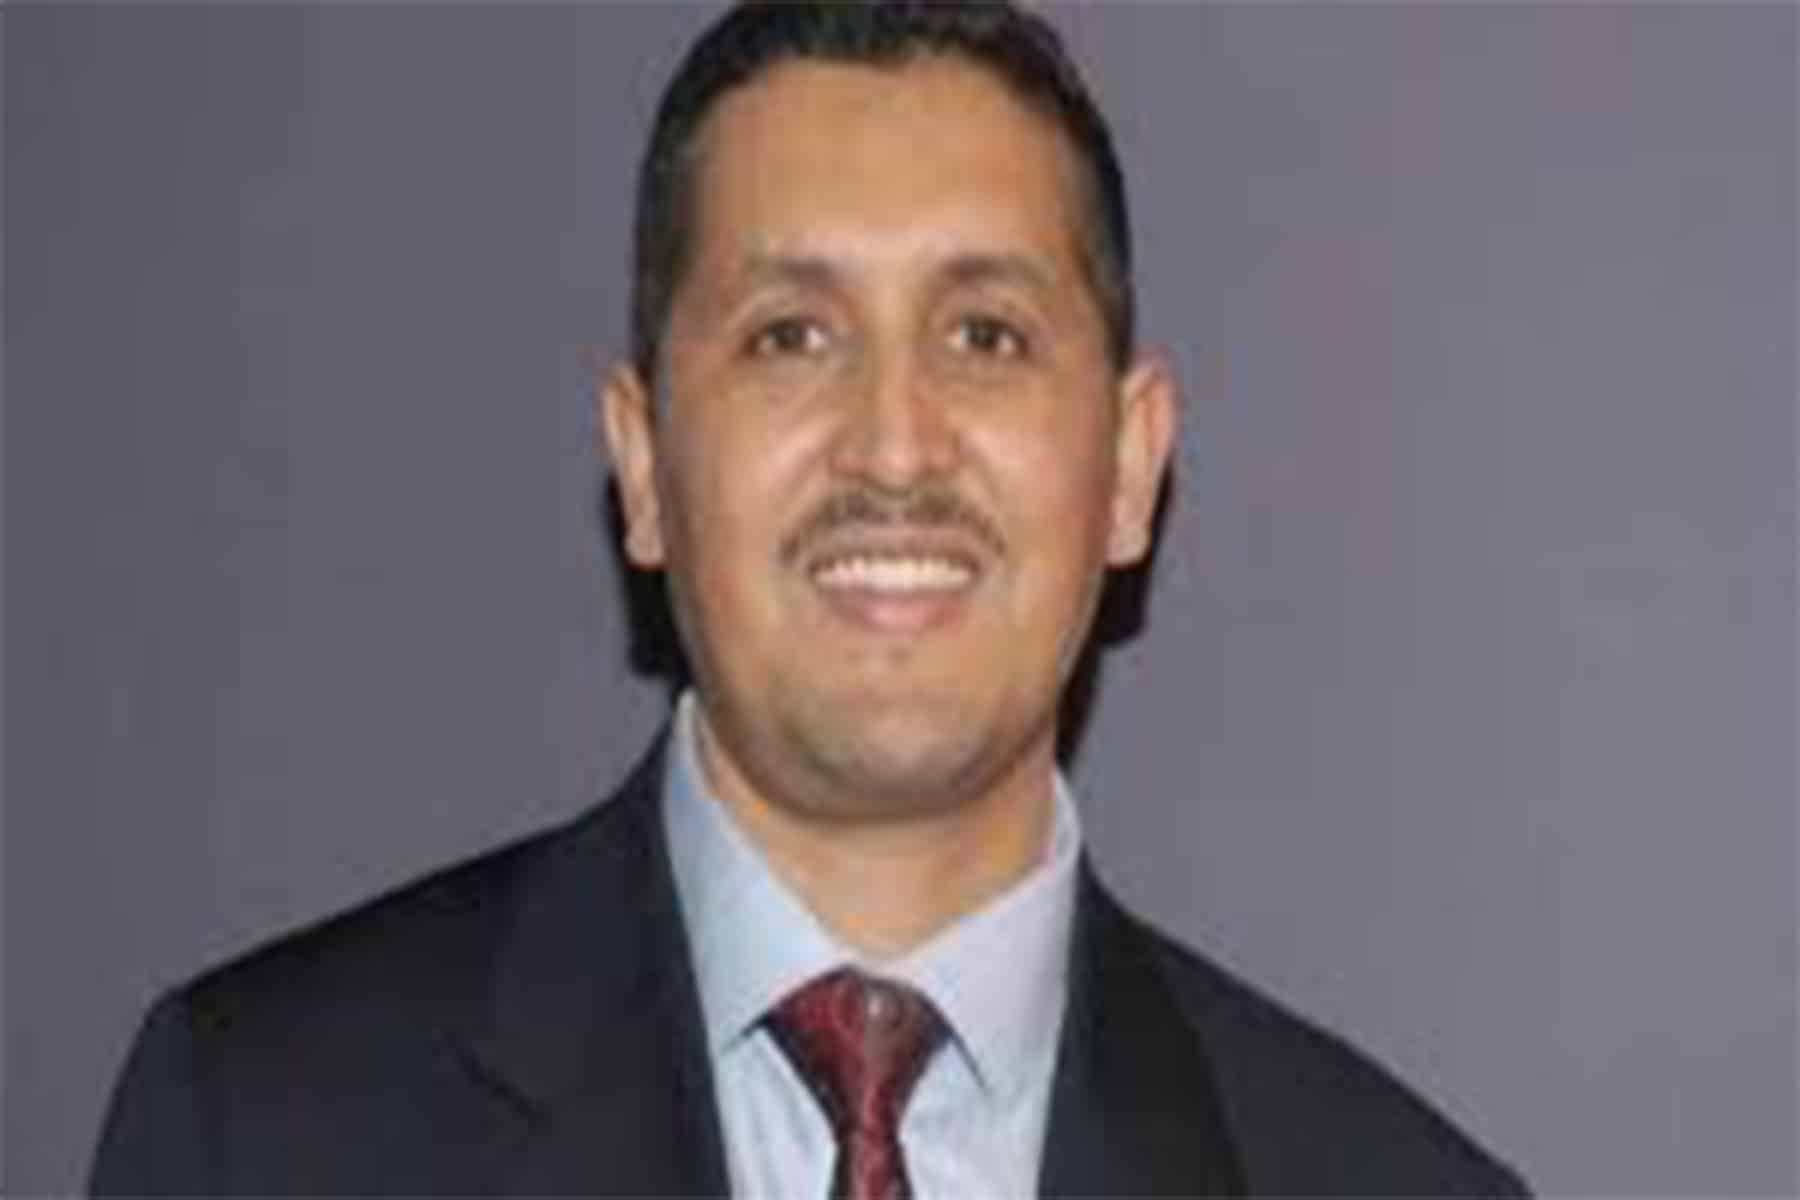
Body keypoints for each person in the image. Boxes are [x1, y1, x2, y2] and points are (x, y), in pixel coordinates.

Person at [91, 2, 1528, 1195]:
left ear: (1130, 467)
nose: (893, 446)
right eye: (791, 336)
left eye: (986, 334)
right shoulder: (261, 1135)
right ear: (644, 465)